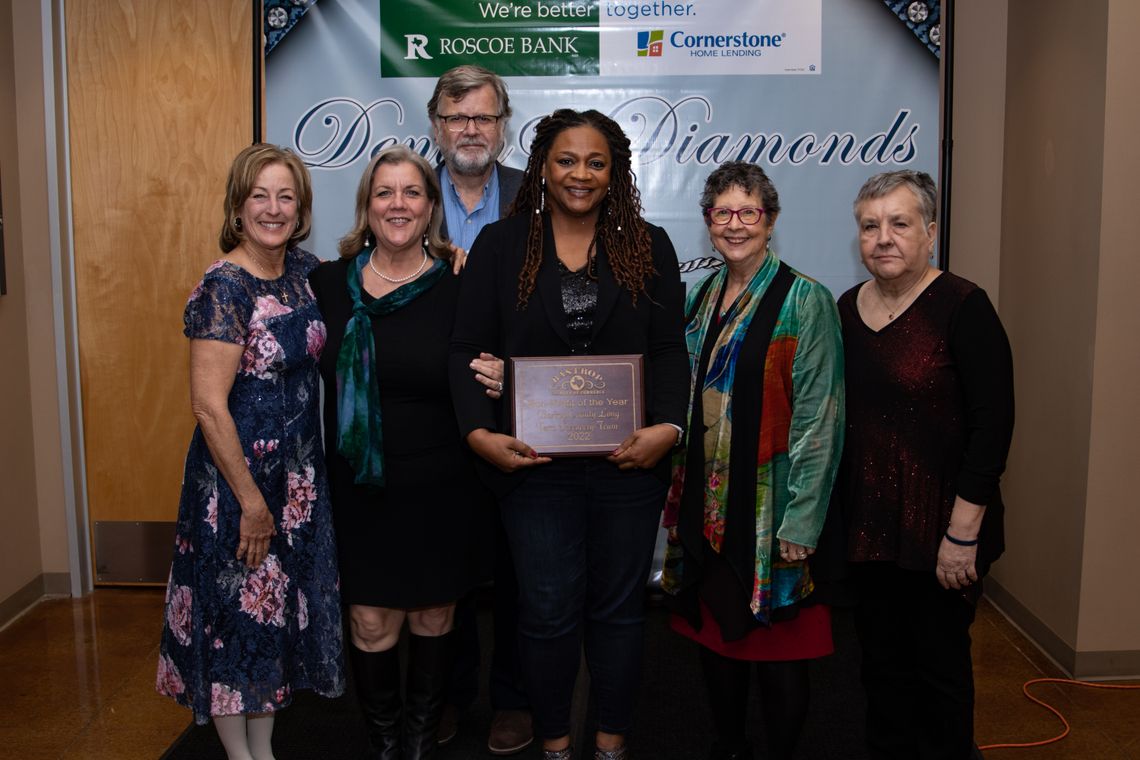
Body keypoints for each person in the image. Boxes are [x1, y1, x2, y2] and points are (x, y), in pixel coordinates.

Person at [450, 108, 690, 760]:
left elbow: (669, 352)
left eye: (595, 162)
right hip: (533, 470)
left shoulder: (649, 245)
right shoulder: (501, 248)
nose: (579, 174)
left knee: (619, 614)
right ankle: (555, 743)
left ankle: (610, 742)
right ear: (542, 168)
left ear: (614, 173)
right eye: (565, 160)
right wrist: (478, 432)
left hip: (629, 469)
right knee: (547, 614)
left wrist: (667, 428)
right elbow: (465, 350)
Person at [309, 145, 500, 760]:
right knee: (370, 622)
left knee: (435, 618)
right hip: (360, 483)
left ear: (431, 207)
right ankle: (385, 745)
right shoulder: (325, 285)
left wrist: (504, 372)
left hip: (442, 481)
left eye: (412, 193)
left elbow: (491, 358)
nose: (398, 204)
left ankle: (419, 743)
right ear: (366, 206)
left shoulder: (460, 281)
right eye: (384, 193)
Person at [156, 143, 345, 760]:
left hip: (296, 483)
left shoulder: (305, 272)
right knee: (237, 620)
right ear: (238, 208)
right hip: (239, 487)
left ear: (302, 207)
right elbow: (209, 406)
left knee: (272, 625)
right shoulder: (224, 288)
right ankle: (242, 757)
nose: (274, 208)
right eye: (259, 195)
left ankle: (263, 750)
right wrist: (251, 502)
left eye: (286, 196)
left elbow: (373, 282)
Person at [660, 161, 845, 760]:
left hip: (774, 510)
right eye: (722, 213)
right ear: (707, 221)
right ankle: (729, 745)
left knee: (781, 652)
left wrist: (802, 522)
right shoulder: (702, 296)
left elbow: (821, 418)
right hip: (709, 504)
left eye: (749, 213)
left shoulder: (805, 300)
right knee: (718, 637)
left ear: (770, 221)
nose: (735, 225)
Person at [837, 170, 1014, 759]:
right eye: (870, 226)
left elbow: (994, 427)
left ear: (930, 233)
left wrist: (963, 534)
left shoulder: (965, 307)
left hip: (942, 528)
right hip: (868, 528)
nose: (883, 237)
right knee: (881, 672)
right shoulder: (845, 308)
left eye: (900, 223)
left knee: (939, 674)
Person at [427, 64, 532, 756]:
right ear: (436, 125)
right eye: (457, 116)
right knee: (444, 569)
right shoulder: (403, 194)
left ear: (503, 127)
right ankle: (445, 695)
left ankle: (515, 702)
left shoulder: (537, 195)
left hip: (519, 410)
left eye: (484, 117)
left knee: (523, 567)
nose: (470, 129)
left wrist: (516, 371)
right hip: (431, 413)